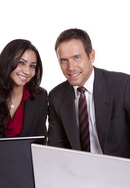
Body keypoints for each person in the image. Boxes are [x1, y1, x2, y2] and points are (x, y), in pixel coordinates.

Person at [48, 28, 130, 158]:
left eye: (76, 57)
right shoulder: (56, 96)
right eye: (64, 60)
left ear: (91, 56)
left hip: (120, 171)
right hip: (78, 173)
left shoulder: (123, 85)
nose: (71, 67)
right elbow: (55, 149)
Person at [0, 39, 48, 138]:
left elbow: (39, 143)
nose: (27, 71)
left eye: (32, 66)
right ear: (7, 61)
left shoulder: (40, 97)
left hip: (25, 154)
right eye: (21, 62)